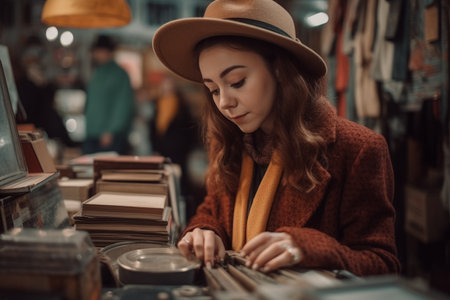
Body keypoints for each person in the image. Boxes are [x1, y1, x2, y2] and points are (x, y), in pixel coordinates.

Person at [152, 0, 400, 276]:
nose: (224, 102)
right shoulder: (229, 142)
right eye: (213, 89)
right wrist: (203, 231)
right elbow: (212, 210)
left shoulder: (358, 149)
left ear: (281, 72)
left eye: (236, 82)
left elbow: (382, 264)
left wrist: (310, 248)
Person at [83, 35, 135, 155]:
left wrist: (111, 131)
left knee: (108, 171)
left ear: (108, 52)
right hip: (92, 133)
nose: (96, 55)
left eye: (99, 51)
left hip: (110, 137)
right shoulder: (96, 73)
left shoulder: (120, 75)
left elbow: (123, 105)